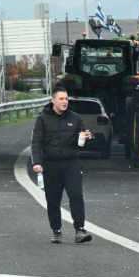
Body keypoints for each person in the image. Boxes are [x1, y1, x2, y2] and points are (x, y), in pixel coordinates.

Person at [31, 87, 92, 244]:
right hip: (51, 164)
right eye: (61, 99)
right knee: (53, 199)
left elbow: (84, 133)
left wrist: (87, 135)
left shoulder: (75, 117)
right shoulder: (42, 119)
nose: (65, 102)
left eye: (66, 99)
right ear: (53, 100)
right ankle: (56, 230)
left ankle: (80, 230)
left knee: (76, 195)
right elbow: (36, 142)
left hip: (72, 162)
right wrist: (37, 162)